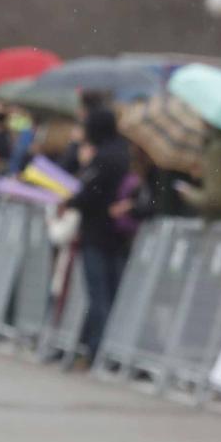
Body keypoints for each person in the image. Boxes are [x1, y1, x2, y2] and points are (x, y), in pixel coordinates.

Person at [69, 106, 133, 364]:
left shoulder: (104, 157)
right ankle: (91, 347)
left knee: (99, 295)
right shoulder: (123, 153)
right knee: (110, 292)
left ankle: (97, 350)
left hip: (97, 234)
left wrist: (84, 171)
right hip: (118, 235)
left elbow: (87, 195)